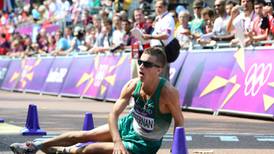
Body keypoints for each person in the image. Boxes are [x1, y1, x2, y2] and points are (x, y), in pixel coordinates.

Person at [10, 46, 184, 154]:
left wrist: (175, 149)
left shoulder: (168, 93)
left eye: (146, 64)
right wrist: (117, 140)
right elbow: (114, 114)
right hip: (128, 126)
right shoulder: (133, 84)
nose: (140, 66)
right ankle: (34, 146)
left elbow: (179, 122)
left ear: (159, 70)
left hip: (143, 145)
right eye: (140, 62)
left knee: (90, 149)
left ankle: (60, 151)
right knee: (82, 135)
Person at [142, 0, 175, 80]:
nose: (157, 9)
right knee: (155, 75)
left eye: (160, 7)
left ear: (165, 7)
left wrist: (150, 37)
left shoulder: (168, 18)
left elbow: (166, 35)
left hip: (162, 49)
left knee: (162, 75)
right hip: (155, 49)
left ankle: (164, 92)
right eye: (156, 7)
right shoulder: (158, 18)